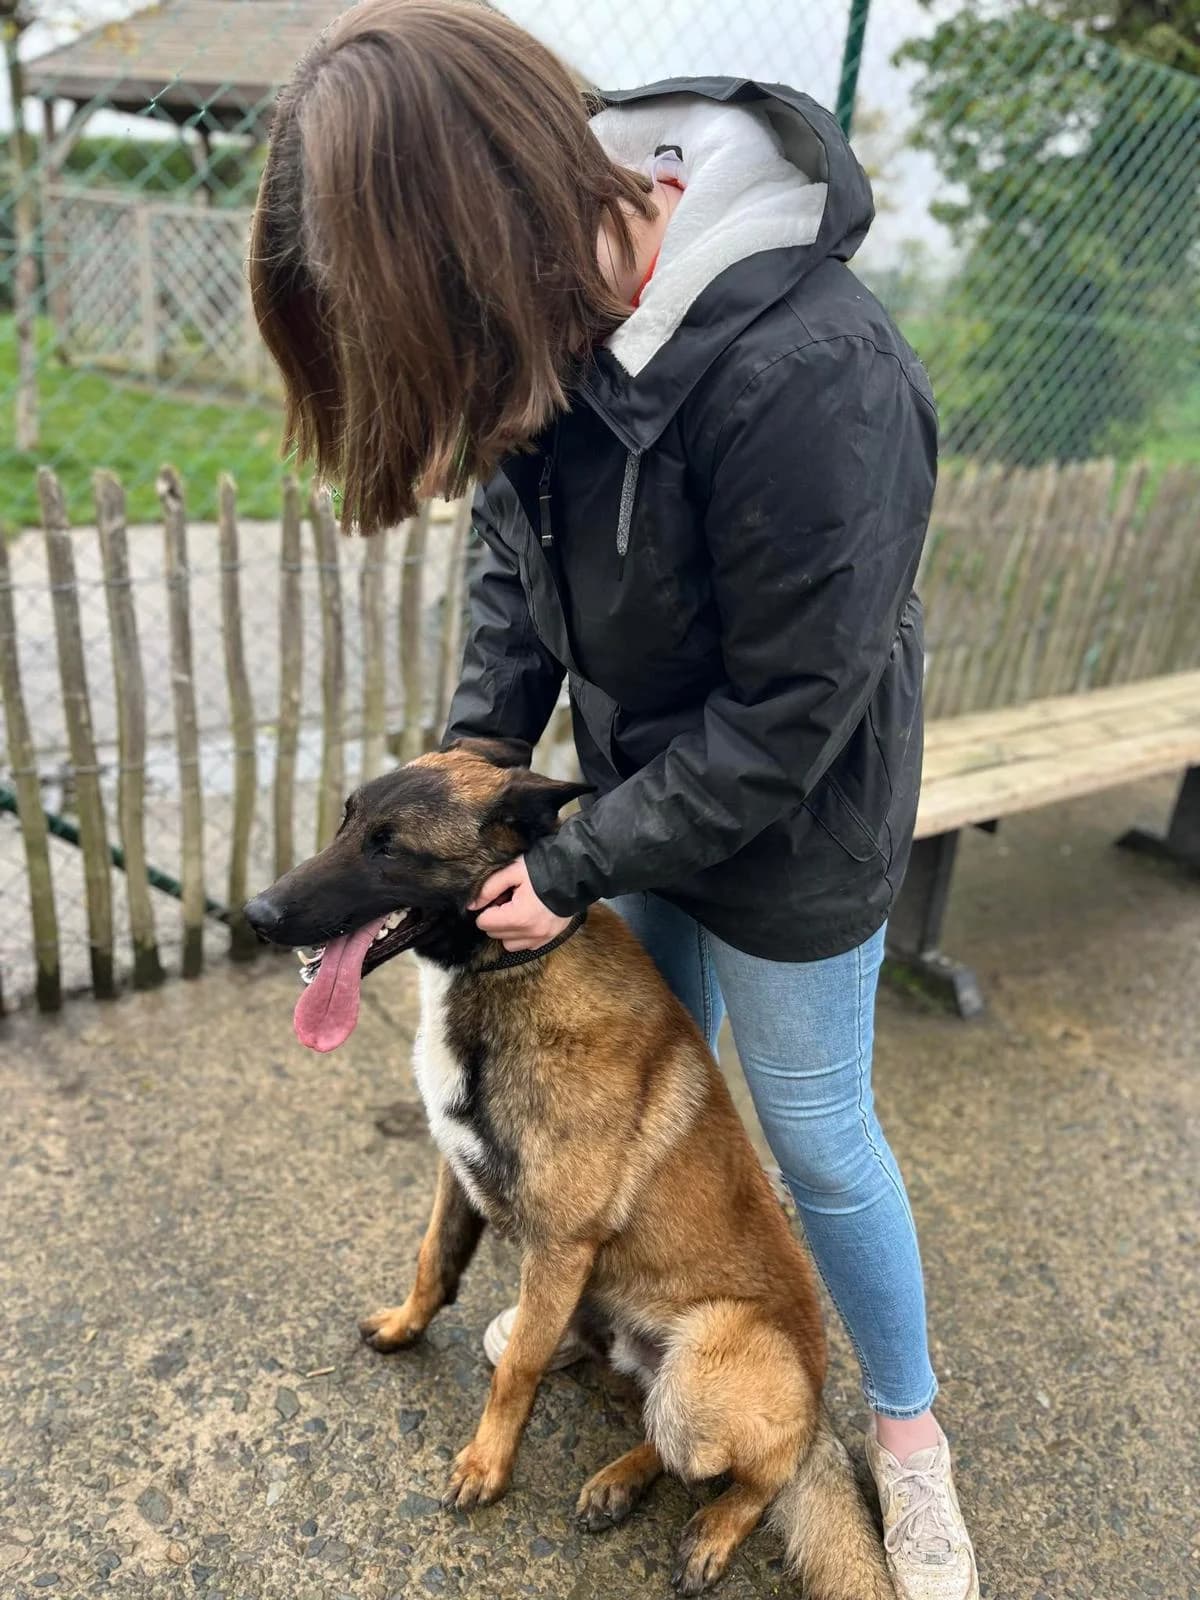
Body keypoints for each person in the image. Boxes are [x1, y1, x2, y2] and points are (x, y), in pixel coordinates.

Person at [250, 4, 978, 1595]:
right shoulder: (549, 320)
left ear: (487, 249)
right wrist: (478, 777)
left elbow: (793, 709)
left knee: (814, 1130)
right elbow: (513, 574)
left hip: (796, 821)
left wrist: (580, 862)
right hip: (634, 787)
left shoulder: (820, 373)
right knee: (659, 1080)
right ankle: (621, 1298)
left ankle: (908, 1434)